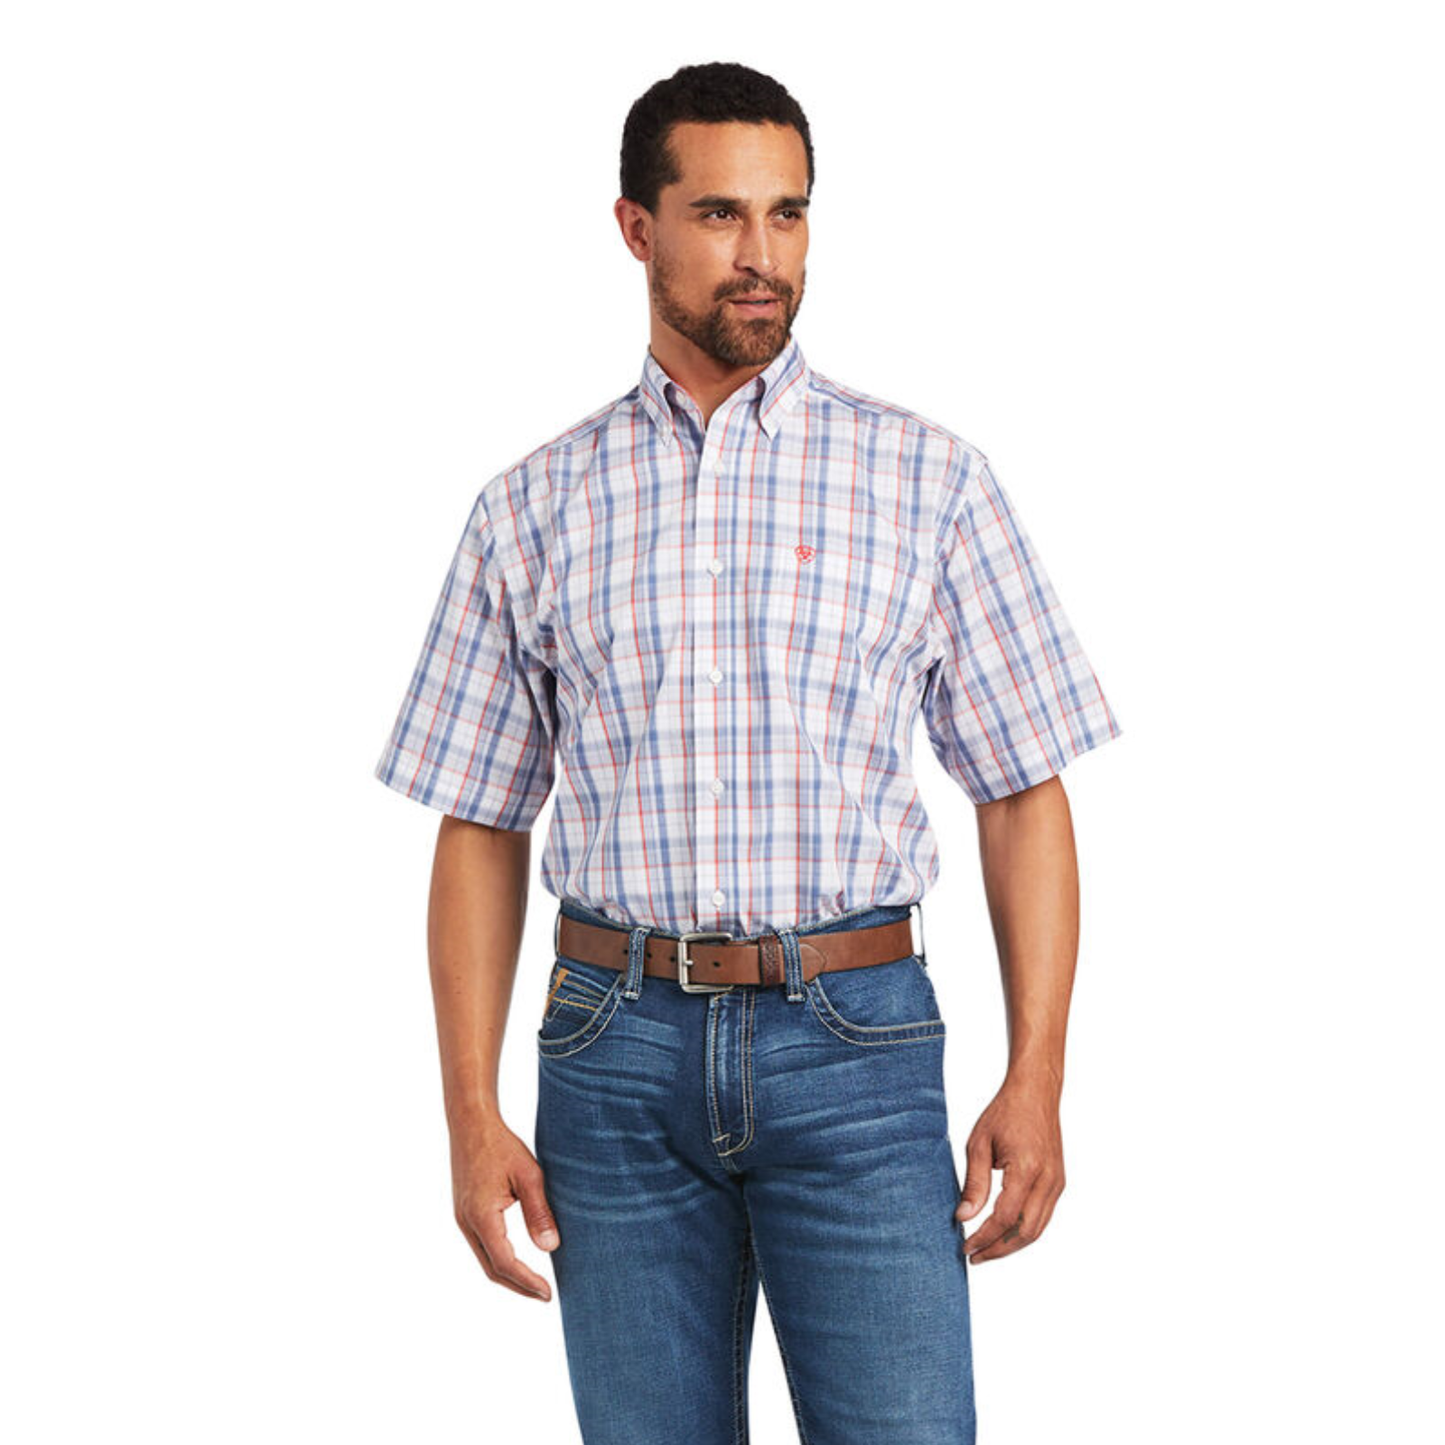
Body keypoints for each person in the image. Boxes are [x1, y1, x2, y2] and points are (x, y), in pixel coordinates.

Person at [373, 60, 1121, 1445]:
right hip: (611, 1055)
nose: (762, 254)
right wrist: (471, 1114)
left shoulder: (929, 481)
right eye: (720, 214)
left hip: (857, 1045)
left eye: (788, 213)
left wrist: (1040, 1075)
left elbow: (1024, 790)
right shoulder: (531, 508)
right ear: (636, 228)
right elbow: (478, 821)